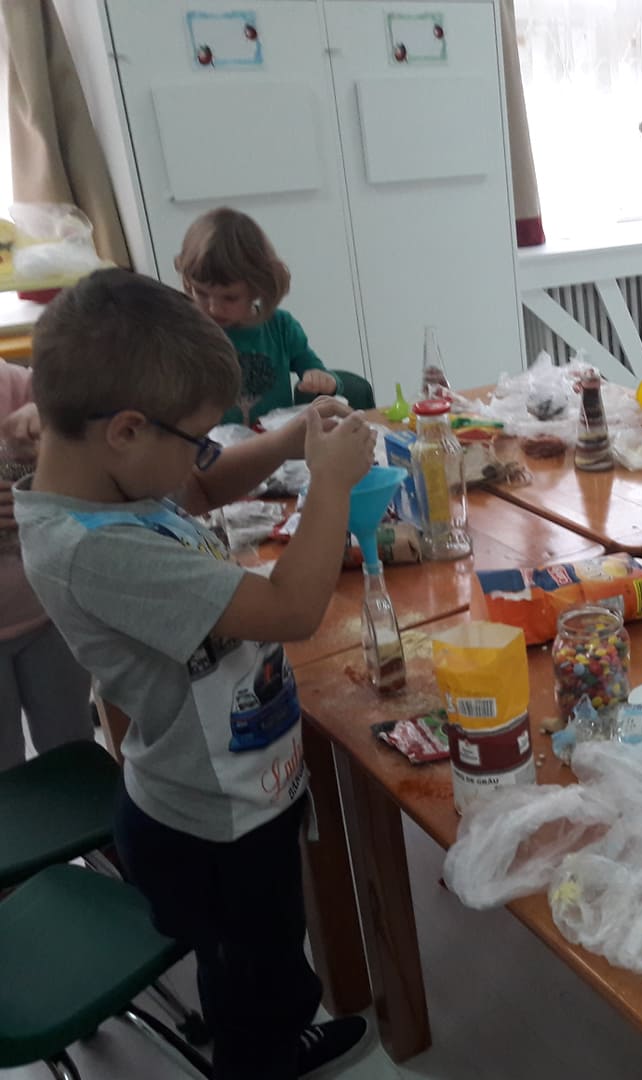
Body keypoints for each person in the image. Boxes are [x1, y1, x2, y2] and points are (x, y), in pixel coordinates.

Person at [15, 269, 373, 1079]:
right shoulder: (96, 550)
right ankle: (262, 1060)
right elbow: (291, 608)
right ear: (126, 431)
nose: (201, 458)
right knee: (253, 979)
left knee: (260, 962)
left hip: (229, 789)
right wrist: (330, 483)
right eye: (197, 436)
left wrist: (285, 442)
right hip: (213, 820)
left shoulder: (106, 491)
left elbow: (200, 485)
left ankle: (273, 1032)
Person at [0, 364, 92, 770]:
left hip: (48, 611)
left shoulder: (16, 383)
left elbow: (92, 400)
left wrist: (49, 413)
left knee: (73, 750)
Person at [176, 207, 339, 426]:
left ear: (257, 289)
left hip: (278, 441)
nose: (213, 308)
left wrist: (324, 380)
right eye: (202, 293)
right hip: (216, 445)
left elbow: (319, 371)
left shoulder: (280, 327)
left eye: (230, 298)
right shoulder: (188, 334)